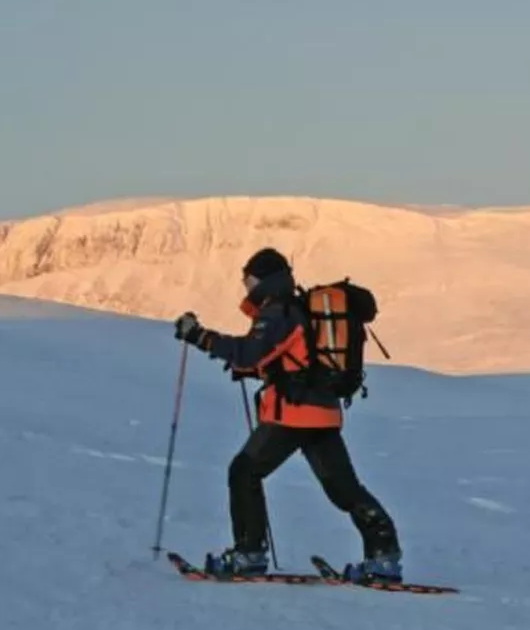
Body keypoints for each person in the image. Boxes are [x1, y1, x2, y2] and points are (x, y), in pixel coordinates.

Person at [172, 246, 403, 582]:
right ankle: (385, 555)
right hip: (323, 413)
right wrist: (259, 371)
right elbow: (292, 361)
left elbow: (250, 353)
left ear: (264, 280)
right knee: (344, 489)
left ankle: (249, 553)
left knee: (244, 471)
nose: (247, 288)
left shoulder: (278, 312)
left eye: (249, 280)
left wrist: (199, 336)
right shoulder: (299, 310)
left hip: (293, 416)